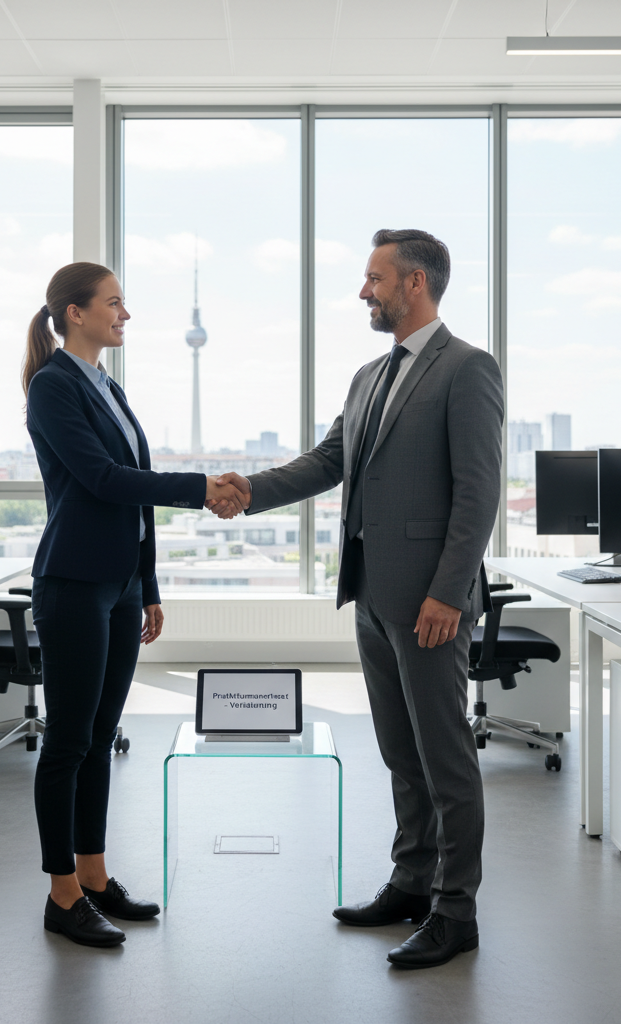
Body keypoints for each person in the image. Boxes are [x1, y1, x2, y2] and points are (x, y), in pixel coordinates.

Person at [210, 229, 503, 969]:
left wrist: (446, 593)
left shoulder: (468, 369)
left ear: (414, 283)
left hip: (430, 601)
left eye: (374, 279)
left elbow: (478, 492)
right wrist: (251, 492)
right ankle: (412, 881)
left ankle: (456, 910)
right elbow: (329, 461)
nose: (363, 292)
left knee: (446, 759)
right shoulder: (370, 375)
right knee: (401, 752)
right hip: (372, 593)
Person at [23, 262, 245, 947]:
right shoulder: (53, 388)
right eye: (115, 304)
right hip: (72, 584)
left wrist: (147, 585)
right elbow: (104, 480)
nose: (126, 315)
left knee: (100, 736)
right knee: (67, 741)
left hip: (117, 585)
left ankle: (94, 877)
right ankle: (61, 894)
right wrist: (203, 487)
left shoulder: (107, 386)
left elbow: (134, 502)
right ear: (75, 313)